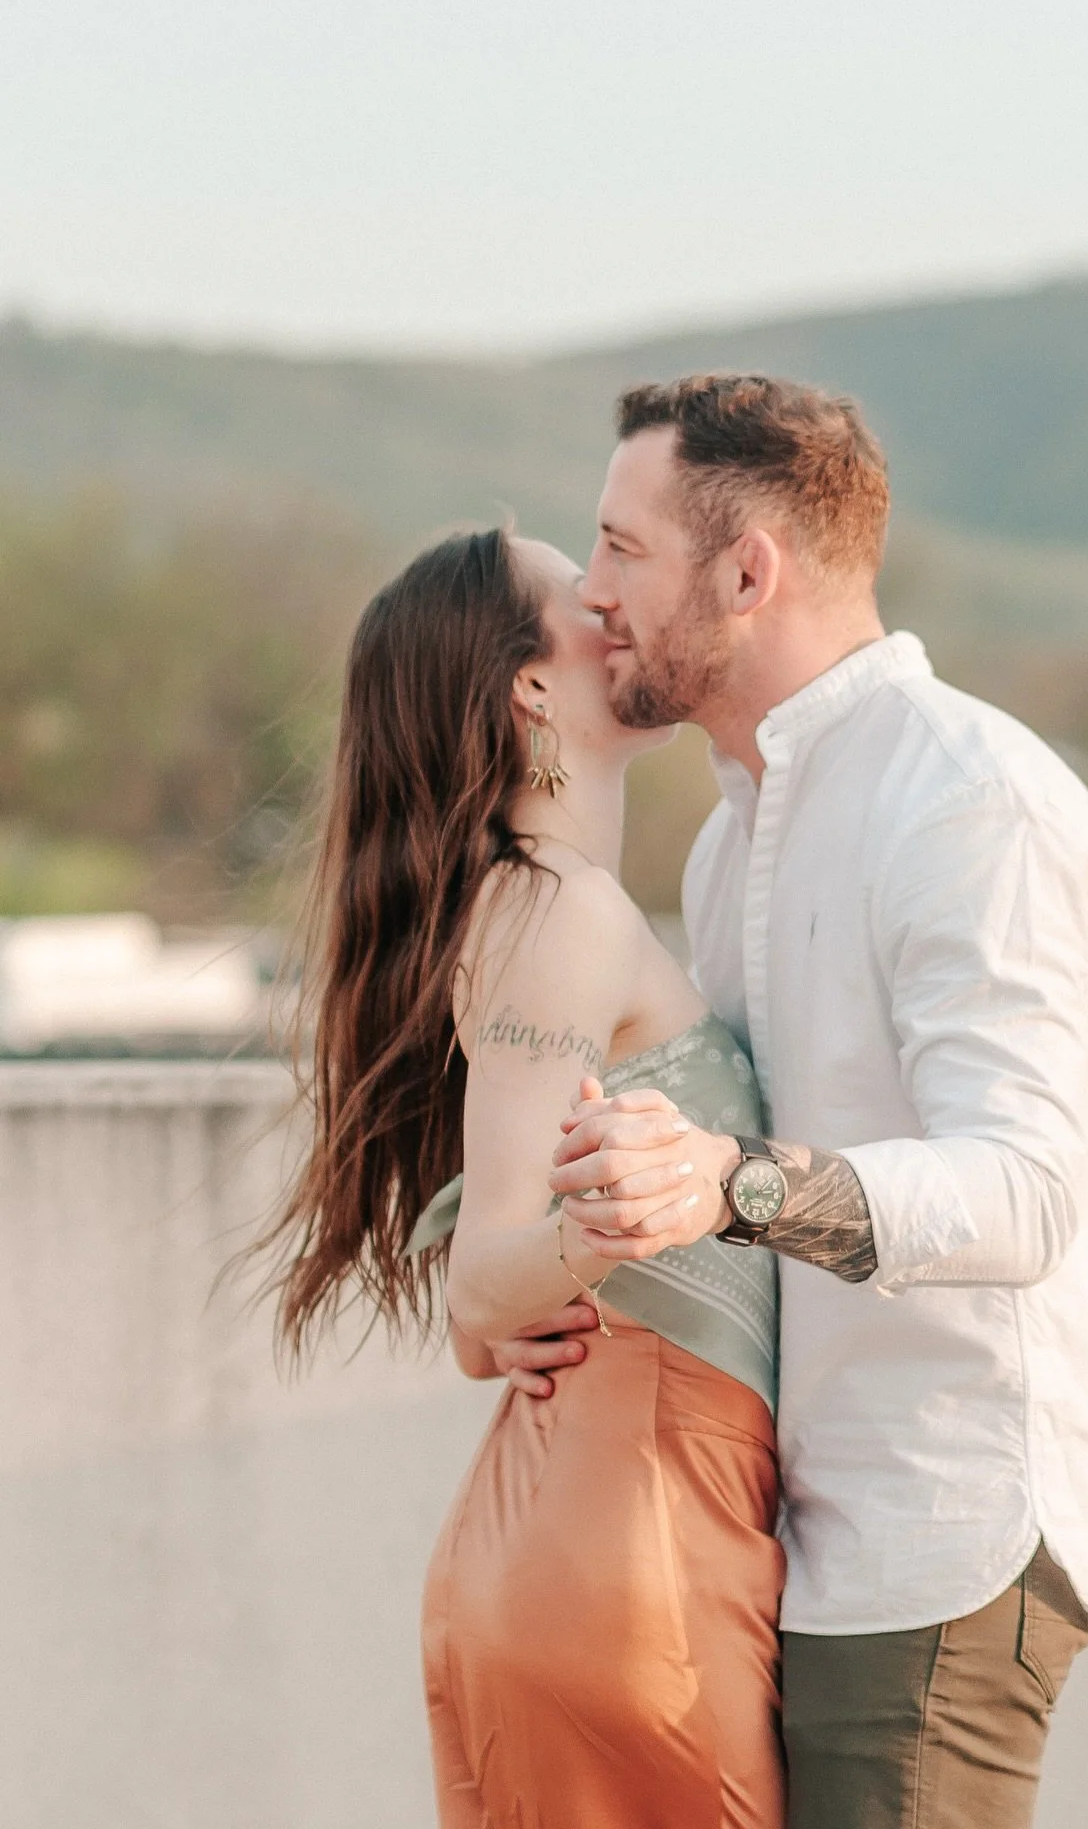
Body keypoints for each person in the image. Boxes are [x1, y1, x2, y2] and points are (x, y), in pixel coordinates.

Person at [493, 374, 1088, 1829]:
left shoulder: (971, 797)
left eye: (623, 549)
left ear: (747, 572)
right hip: (795, 1530)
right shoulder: (731, 848)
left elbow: (1030, 1191)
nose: (595, 593)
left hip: (944, 1531)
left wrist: (730, 1182)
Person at [253, 525, 793, 1829]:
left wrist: (547, 1274)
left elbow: (476, 1313)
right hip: (630, 1550)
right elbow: (492, 1277)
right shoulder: (559, 912)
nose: (614, 601)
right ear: (530, 691)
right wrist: (627, 1219)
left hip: (599, 1538)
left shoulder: (537, 906)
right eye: (577, 595)